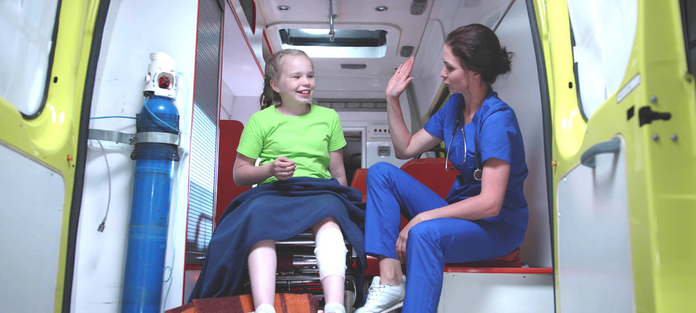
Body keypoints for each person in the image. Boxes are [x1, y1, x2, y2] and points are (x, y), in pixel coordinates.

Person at [355, 24, 528, 313]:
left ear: (474, 73)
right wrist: (392, 99)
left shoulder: (497, 119)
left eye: (449, 67)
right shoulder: (454, 106)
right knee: (381, 173)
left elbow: (490, 203)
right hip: (461, 212)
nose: (442, 73)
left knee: (424, 234)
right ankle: (391, 282)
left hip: (497, 226)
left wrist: (422, 218)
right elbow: (406, 148)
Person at [188, 49, 366, 313]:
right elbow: (240, 173)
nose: (305, 83)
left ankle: (335, 306)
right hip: (273, 193)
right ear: (276, 85)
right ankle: (264, 308)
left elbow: (337, 173)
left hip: (319, 192)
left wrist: (340, 201)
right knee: (258, 217)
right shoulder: (260, 121)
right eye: (296, 77)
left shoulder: (329, 118)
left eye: (310, 76)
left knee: (330, 214)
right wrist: (270, 169)